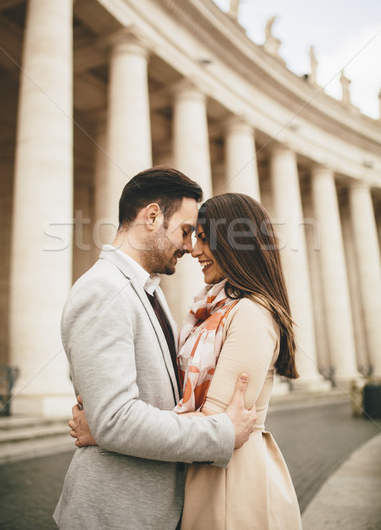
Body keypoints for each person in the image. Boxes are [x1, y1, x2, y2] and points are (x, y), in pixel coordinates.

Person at [71, 192, 302, 529]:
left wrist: (109, 428)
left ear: (236, 245)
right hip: (203, 476)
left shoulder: (251, 313)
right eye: (193, 237)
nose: (194, 250)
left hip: (231, 486)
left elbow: (217, 421)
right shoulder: (211, 312)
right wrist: (114, 425)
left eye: (205, 240)